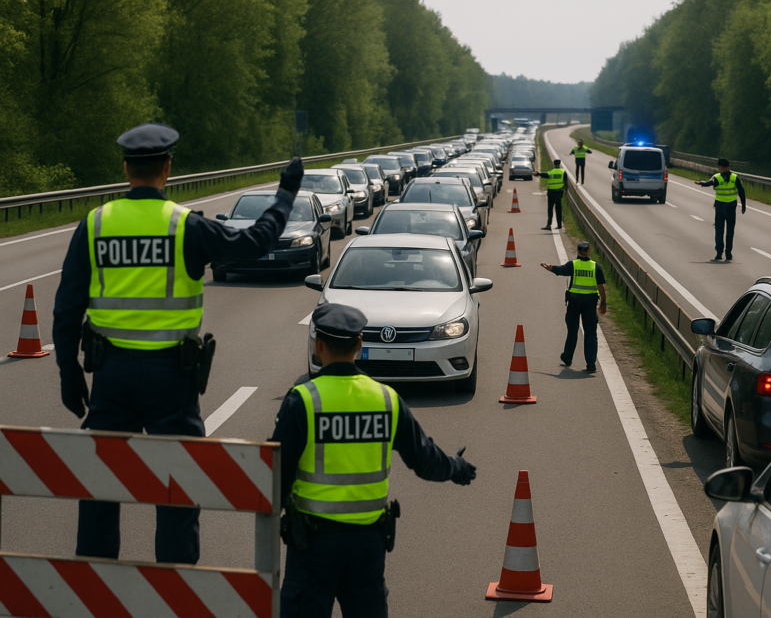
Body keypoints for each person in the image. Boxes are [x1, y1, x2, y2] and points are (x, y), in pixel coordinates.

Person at [52, 122, 304, 564]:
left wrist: (69, 372)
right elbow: (256, 242)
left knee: (99, 482)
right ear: (168, 168)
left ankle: (93, 585)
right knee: (179, 487)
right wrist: (285, 194)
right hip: (171, 378)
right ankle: (176, 588)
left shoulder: (96, 224)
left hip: (111, 375)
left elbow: (67, 307)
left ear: (126, 168)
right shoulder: (185, 226)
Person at [273, 303, 476, 618]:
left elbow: (275, 475)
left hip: (312, 543)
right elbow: (424, 460)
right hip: (367, 545)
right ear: (359, 344)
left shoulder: (302, 401)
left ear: (319, 345)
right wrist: (456, 467)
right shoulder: (386, 399)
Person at [540, 241, 607, 373]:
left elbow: (560, 270)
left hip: (574, 302)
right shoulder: (596, 267)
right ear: (589, 251)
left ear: (578, 251)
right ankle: (591, 363)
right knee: (590, 333)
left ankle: (567, 357)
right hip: (590, 302)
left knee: (572, 331)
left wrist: (550, 267)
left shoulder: (573, 265)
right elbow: (601, 286)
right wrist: (603, 302)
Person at [694, 158, 746, 260]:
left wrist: (701, 183)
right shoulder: (735, 178)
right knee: (730, 231)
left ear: (720, 167)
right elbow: (742, 192)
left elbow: (709, 183)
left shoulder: (717, 177)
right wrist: (744, 205)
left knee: (719, 230)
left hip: (720, 207)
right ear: (728, 166)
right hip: (731, 207)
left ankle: (719, 252)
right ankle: (728, 252)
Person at [533, 158, 566, 230]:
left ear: (554, 164)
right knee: (558, 209)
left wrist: (538, 174)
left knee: (550, 209)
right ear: (559, 164)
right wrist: (565, 191)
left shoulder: (551, 172)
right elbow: (565, 182)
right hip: (559, 192)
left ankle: (549, 225)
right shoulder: (563, 172)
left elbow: (544, 174)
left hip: (551, 193)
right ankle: (559, 225)